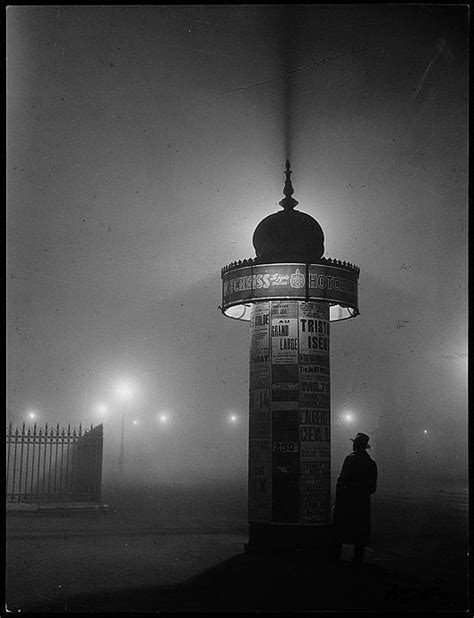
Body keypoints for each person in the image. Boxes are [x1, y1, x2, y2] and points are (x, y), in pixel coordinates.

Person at [329, 432, 377, 565]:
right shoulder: (372, 464)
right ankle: (357, 562)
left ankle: (334, 560)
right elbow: (373, 488)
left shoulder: (350, 460)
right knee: (359, 537)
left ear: (355, 445)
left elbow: (341, 481)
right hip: (362, 504)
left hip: (347, 503)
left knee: (339, 532)